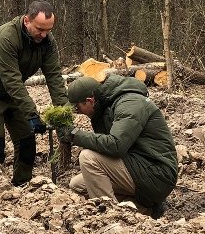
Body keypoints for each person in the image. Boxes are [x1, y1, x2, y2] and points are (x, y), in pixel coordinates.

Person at [0, 0, 69, 185]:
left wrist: (63, 113)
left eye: (48, 30)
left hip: (13, 90)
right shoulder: (7, 37)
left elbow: (54, 76)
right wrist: (32, 114)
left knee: (27, 142)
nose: (44, 34)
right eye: (40, 29)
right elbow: (11, 79)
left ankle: (22, 187)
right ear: (26, 21)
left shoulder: (47, 42)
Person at [59, 75, 178, 217]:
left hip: (156, 173)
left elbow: (115, 145)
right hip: (139, 166)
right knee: (78, 184)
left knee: (88, 158)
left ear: (90, 101)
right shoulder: (104, 106)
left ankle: (111, 216)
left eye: (78, 108)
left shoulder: (130, 103)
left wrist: (75, 135)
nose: (78, 112)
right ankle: (144, 209)